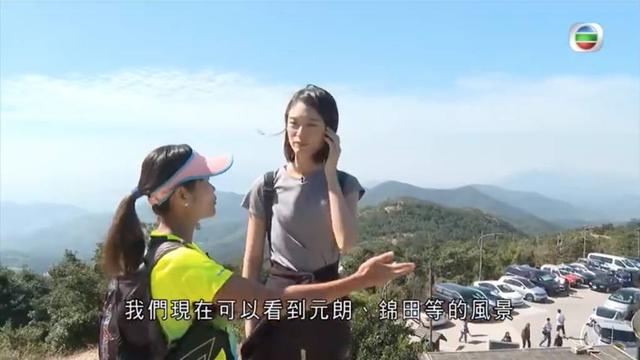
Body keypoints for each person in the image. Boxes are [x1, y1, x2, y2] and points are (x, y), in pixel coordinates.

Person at [101, 144, 415, 360]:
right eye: (207, 182)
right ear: (183, 195)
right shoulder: (184, 263)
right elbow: (277, 304)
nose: (214, 189)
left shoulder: (161, 249)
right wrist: (359, 280)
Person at [241, 85, 366, 359]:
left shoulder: (345, 184)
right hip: (277, 300)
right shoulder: (266, 185)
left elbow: (346, 242)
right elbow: (251, 263)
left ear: (329, 131)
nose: (300, 133)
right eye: (293, 124)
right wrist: (249, 323)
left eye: (311, 124)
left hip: (328, 300)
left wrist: (330, 174)